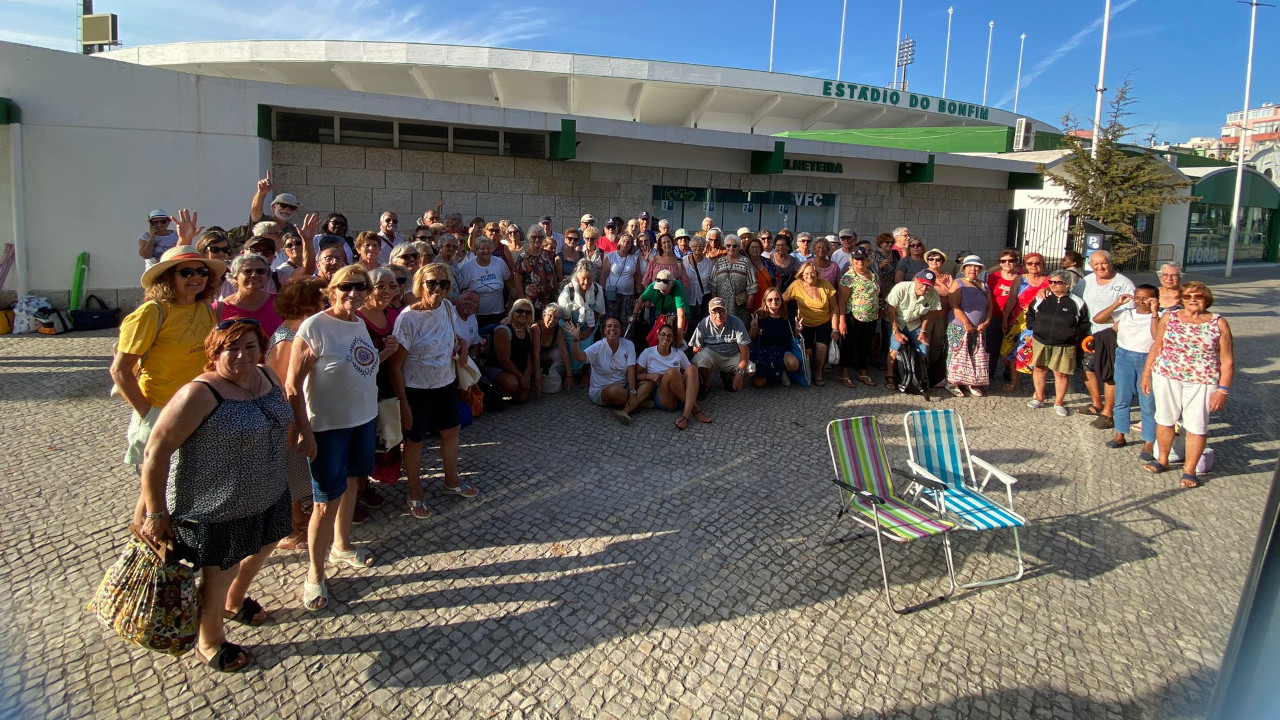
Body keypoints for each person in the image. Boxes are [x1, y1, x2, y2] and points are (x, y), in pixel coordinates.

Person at [135, 320, 292, 673]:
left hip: (267, 489)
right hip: (218, 504)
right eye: (231, 349)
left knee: (266, 545)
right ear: (214, 352)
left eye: (250, 346)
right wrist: (155, 513)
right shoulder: (201, 393)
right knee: (219, 571)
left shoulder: (268, 377)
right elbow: (156, 453)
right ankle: (209, 640)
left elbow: (284, 414)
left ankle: (233, 601)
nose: (242, 355)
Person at [286, 266, 381, 612]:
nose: (352, 293)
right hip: (327, 428)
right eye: (345, 287)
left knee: (353, 482)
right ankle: (315, 573)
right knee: (324, 501)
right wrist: (303, 430)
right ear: (332, 288)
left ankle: (342, 545)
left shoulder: (358, 323)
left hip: (362, 420)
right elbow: (292, 386)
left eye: (360, 286)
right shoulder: (315, 327)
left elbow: (359, 366)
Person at [114, 242, 223, 515]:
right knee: (154, 491)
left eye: (202, 271)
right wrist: (146, 412)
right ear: (168, 277)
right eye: (186, 272)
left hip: (197, 409)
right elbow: (119, 370)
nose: (196, 277)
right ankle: (144, 551)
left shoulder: (205, 309)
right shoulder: (152, 312)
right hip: (160, 408)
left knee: (185, 482)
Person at [389, 263, 476, 521]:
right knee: (415, 441)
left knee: (451, 431)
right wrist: (403, 402)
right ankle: (415, 492)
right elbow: (395, 366)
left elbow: (453, 335)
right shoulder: (408, 318)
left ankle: (451, 480)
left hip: (445, 383)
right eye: (432, 283)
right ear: (420, 284)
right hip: (416, 389)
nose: (438, 289)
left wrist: (462, 343)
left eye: (444, 284)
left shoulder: (448, 307)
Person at [1141, 281, 1233, 488]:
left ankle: (1189, 471)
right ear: (1181, 299)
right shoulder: (1169, 317)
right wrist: (1146, 374)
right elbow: (1157, 346)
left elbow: (1227, 360)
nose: (1192, 300)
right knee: (1164, 419)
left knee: (1196, 426)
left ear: (1206, 299)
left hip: (1202, 380)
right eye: (1188, 297)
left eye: (1198, 296)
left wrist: (1223, 389)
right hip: (1166, 374)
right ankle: (1162, 459)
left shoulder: (1218, 323)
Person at [264, 277, 328, 551]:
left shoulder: (304, 331)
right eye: (321, 301)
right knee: (290, 472)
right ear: (305, 305)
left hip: (303, 414)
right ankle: (290, 529)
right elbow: (282, 387)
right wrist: (293, 426)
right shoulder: (287, 339)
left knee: (299, 472)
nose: (325, 305)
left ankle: (298, 518)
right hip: (287, 418)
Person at [354, 267, 404, 510]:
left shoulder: (392, 315)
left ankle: (364, 487)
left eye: (392, 286)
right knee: (362, 442)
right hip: (361, 389)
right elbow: (356, 363)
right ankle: (352, 497)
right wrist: (385, 352)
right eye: (381, 286)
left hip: (386, 385)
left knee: (380, 439)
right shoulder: (356, 318)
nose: (387, 291)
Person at [1094, 284, 1158, 458]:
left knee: (1148, 401)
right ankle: (1120, 434)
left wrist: (1154, 312)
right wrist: (1118, 303)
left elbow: (1157, 335)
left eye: (1146, 298)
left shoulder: (1159, 317)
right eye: (1138, 297)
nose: (1141, 302)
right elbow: (1098, 319)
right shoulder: (1126, 313)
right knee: (1121, 398)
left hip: (1147, 358)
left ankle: (1149, 442)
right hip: (1124, 357)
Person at [1074, 250, 1135, 428]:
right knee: (1088, 369)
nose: (1100, 267)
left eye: (1103, 263)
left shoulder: (1124, 284)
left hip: (1111, 335)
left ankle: (1108, 413)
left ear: (1110, 262)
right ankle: (1096, 404)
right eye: (1096, 264)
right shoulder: (1087, 280)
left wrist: (1111, 333)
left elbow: (1129, 313)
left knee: (1109, 375)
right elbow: (1075, 300)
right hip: (1088, 334)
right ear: (1091, 266)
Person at [1025, 270, 1090, 417]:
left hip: (1065, 344)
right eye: (1051, 282)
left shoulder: (1077, 302)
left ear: (1067, 284)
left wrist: (1072, 334)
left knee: (1061, 374)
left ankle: (1059, 402)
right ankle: (1039, 398)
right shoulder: (1042, 298)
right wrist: (1034, 327)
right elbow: (1030, 313)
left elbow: (1084, 323)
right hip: (1041, 341)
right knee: (1039, 369)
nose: (1053, 285)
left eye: (1057, 282)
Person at [568, 315, 641, 425]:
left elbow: (631, 370)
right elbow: (579, 356)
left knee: (647, 383)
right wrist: (575, 339)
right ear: (604, 331)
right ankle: (639, 400)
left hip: (624, 386)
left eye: (616, 326)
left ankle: (631, 403)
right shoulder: (598, 347)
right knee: (615, 391)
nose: (612, 329)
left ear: (621, 331)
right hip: (601, 390)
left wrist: (632, 391)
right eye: (609, 326)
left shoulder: (628, 345)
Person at [637, 323, 712, 430]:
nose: (665, 338)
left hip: (680, 395)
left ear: (673, 339)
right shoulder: (648, 353)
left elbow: (691, 374)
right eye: (663, 334)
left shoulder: (679, 354)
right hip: (665, 397)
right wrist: (649, 376)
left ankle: (686, 415)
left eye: (669, 336)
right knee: (672, 372)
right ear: (658, 335)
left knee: (691, 369)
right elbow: (636, 375)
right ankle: (695, 409)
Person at [783, 261, 840, 387]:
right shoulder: (796, 285)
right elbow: (782, 300)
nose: (810, 275)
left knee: (821, 347)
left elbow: (835, 308)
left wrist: (835, 329)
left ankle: (818, 373)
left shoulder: (826, 285)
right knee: (808, 352)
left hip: (823, 322)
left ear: (817, 273)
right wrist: (784, 315)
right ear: (802, 275)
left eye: (813, 272)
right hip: (805, 323)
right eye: (806, 273)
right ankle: (810, 370)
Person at [884, 270, 942, 389]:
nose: (925, 288)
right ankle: (890, 375)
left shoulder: (933, 294)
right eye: (922, 283)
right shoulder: (901, 288)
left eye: (928, 285)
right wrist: (896, 332)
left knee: (923, 348)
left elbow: (929, 313)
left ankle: (921, 375)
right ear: (916, 279)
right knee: (895, 347)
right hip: (896, 320)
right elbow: (890, 310)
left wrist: (923, 332)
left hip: (914, 322)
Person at [944, 256, 993, 397]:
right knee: (956, 354)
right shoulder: (958, 283)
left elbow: (990, 306)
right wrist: (966, 323)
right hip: (959, 326)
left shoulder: (984, 285)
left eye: (976, 266)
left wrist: (987, 321)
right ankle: (952, 382)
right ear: (964, 268)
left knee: (974, 354)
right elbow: (954, 305)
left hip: (979, 328)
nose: (973, 269)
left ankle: (970, 382)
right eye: (970, 266)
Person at [1000, 252, 1050, 391]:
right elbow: (1011, 300)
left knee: (1038, 356)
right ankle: (1014, 382)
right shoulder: (1019, 279)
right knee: (1014, 353)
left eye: (1037, 263)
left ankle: (1038, 389)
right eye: (1030, 263)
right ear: (1025, 265)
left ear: (1043, 264)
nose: (1034, 266)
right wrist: (1005, 319)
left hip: (1040, 325)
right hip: (1019, 323)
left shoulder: (1050, 281)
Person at [690, 298, 755, 397]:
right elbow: (696, 347)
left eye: (721, 311)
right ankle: (706, 383)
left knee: (751, 369)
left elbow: (744, 351)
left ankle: (728, 375)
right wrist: (697, 369)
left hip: (732, 355)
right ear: (709, 313)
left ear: (727, 311)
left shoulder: (736, 322)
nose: (718, 316)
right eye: (714, 312)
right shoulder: (703, 323)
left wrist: (740, 373)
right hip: (712, 353)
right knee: (699, 360)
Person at [835, 247, 879, 388]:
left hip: (871, 316)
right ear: (852, 261)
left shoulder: (872, 274)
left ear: (867, 260)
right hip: (853, 316)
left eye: (862, 259)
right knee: (848, 345)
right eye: (857, 259)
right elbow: (841, 300)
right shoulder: (848, 277)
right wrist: (842, 321)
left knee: (865, 345)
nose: (860, 262)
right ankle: (844, 374)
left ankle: (863, 372)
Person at [213, 253, 283, 336]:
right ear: (235, 277)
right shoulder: (219, 308)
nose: (254, 275)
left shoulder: (280, 302)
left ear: (267, 277)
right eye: (247, 271)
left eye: (260, 271)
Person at [559, 259, 608, 374]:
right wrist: (576, 332)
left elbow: (598, 311)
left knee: (587, 346)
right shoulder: (569, 289)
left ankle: (584, 371)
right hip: (569, 324)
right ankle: (570, 372)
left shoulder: (597, 289)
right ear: (577, 277)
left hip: (589, 324)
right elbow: (565, 315)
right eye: (583, 279)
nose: (586, 282)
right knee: (572, 346)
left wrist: (588, 330)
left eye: (589, 279)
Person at [458, 237, 516, 328]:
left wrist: (513, 297)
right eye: (482, 249)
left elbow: (508, 281)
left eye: (488, 248)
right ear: (476, 251)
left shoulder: (499, 263)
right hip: (476, 315)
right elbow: (462, 290)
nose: (486, 251)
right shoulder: (467, 267)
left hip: (499, 312)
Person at [489, 298, 539, 404]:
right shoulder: (503, 331)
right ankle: (497, 391)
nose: (524, 314)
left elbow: (529, 352)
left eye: (528, 312)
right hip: (499, 368)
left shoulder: (528, 331)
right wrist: (521, 377)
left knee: (523, 398)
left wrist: (528, 372)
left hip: (517, 369)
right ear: (513, 312)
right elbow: (504, 361)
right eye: (520, 311)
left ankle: (511, 392)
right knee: (512, 383)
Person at [749, 287, 801, 387]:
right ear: (765, 301)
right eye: (770, 299)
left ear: (781, 300)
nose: (774, 301)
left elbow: (793, 338)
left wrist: (797, 331)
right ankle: (774, 373)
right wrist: (754, 328)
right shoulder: (759, 315)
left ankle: (780, 372)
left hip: (781, 352)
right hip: (763, 353)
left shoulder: (787, 316)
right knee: (758, 384)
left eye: (777, 299)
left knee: (793, 363)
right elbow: (752, 339)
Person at [987, 249, 1021, 384]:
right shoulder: (993, 277)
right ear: (999, 263)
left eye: (1011, 260)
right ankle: (990, 373)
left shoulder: (1021, 278)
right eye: (1003, 261)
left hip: (1015, 318)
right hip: (995, 315)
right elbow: (987, 296)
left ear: (1016, 262)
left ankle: (1009, 372)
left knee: (1012, 346)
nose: (1007, 263)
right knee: (992, 346)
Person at [631, 268, 688, 344]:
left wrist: (679, 335)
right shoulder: (652, 287)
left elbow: (681, 314)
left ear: (671, 284)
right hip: (662, 314)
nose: (661, 290)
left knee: (678, 342)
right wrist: (634, 315)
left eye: (664, 288)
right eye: (660, 288)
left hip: (678, 316)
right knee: (656, 339)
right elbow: (641, 299)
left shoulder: (678, 287)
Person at [712, 234, 757, 327]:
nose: (731, 248)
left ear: (739, 247)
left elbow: (752, 284)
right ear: (725, 246)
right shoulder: (718, 262)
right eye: (728, 245)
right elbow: (712, 284)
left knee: (740, 327)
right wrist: (714, 301)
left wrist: (750, 301)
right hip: (722, 303)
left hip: (740, 305)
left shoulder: (746, 262)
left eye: (735, 246)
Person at [601, 233, 643, 320]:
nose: (625, 244)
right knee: (611, 319)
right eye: (624, 241)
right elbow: (603, 276)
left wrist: (640, 294)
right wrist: (601, 293)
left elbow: (637, 277)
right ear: (619, 242)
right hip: (611, 294)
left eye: (628, 242)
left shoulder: (635, 258)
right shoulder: (610, 256)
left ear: (631, 245)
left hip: (628, 295)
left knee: (626, 320)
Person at [536, 303, 573, 393]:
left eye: (556, 318)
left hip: (546, 362)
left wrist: (569, 375)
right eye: (550, 316)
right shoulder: (536, 328)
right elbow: (535, 354)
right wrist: (538, 380)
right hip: (533, 362)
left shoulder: (558, 329)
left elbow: (563, 351)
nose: (552, 320)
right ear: (543, 315)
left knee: (556, 387)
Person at [682, 235, 714, 335]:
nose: (697, 248)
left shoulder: (708, 262)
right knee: (688, 325)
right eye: (695, 246)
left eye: (700, 246)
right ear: (691, 247)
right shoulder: (683, 261)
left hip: (703, 299)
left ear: (704, 247)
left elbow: (712, 281)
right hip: (687, 298)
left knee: (702, 324)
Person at [744, 235, 773, 313]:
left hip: (767, 300)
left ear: (761, 249)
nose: (755, 249)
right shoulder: (744, 263)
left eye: (757, 247)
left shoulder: (768, 262)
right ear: (748, 249)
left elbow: (777, 279)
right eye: (752, 247)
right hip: (749, 301)